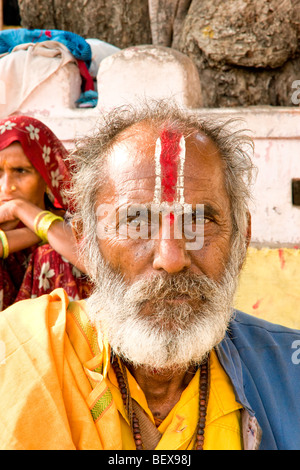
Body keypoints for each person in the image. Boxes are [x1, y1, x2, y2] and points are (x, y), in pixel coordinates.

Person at [0, 101, 300, 451]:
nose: (171, 259)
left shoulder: (289, 373)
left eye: (199, 220)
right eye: (136, 221)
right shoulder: (16, 353)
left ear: (241, 237)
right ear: (85, 237)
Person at [0, 115, 91, 309]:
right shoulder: (61, 223)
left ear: (45, 174)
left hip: (60, 337)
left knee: (54, 256)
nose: (7, 188)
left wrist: (20, 208)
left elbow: (93, 264)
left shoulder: (75, 222)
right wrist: (38, 232)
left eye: (21, 171)